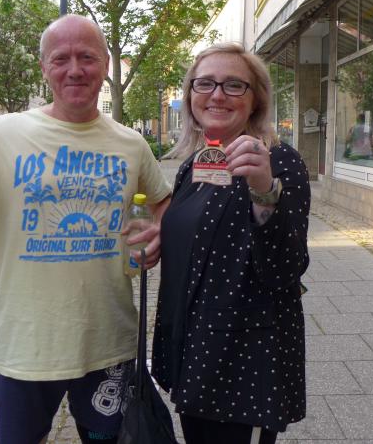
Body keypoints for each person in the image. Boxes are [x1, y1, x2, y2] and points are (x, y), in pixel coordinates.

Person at [0, 14, 172, 444]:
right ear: (44, 68)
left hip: (109, 342)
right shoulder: (1, 133)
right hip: (25, 346)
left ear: (106, 65)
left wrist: (159, 232)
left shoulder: (131, 143)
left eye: (87, 57)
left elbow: (164, 203)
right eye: (61, 59)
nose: (75, 70)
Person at [151, 43, 310, 444]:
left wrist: (264, 189)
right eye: (204, 83)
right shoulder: (195, 163)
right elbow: (200, 238)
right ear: (190, 95)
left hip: (243, 362)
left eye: (234, 85)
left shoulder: (280, 161)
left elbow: (286, 268)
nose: (217, 95)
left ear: (256, 99)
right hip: (194, 351)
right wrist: (157, 241)